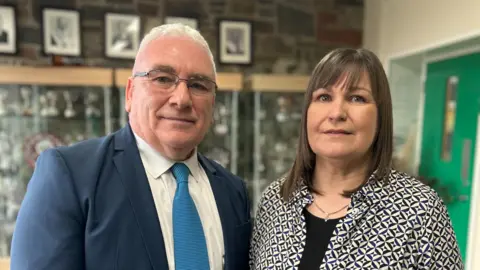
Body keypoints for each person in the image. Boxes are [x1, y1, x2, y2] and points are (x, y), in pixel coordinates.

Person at [10, 23, 252, 270]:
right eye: (162, 79)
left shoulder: (232, 191)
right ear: (130, 93)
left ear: (213, 103)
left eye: (198, 85)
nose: (181, 99)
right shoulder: (71, 176)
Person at [249, 48, 464, 269]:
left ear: (381, 116)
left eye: (356, 98)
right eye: (324, 97)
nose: (336, 113)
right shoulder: (275, 201)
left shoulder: (420, 209)